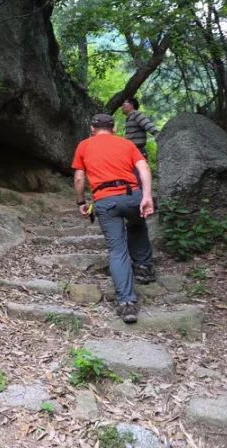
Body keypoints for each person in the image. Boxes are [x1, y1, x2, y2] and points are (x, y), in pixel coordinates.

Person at [71, 113, 156, 324]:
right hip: (131, 196)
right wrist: (146, 196)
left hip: (105, 200)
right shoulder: (126, 144)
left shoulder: (83, 146)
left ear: (92, 128)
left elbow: (79, 177)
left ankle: (127, 303)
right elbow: (143, 167)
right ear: (114, 128)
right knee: (137, 224)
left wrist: (81, 202)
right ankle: (143, 267)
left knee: (117, 250)